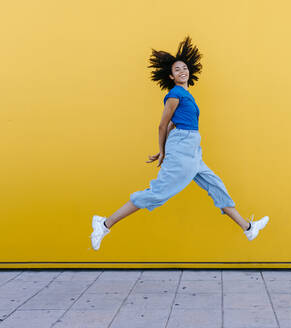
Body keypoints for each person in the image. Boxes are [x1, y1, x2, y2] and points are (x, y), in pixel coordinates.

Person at [90, 35, 269, 251]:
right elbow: (162, 125)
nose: (182, 71)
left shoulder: (186, 94)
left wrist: (165, 150)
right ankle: (105, 223)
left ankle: (248, 228)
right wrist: (163, 152)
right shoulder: (174, 94)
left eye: (184, 67)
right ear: (171, 76)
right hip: (183, 146)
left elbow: (174, 125)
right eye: (177, 70)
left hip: (191, 148)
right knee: (158, 193)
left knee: (215, 185)